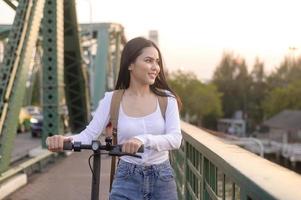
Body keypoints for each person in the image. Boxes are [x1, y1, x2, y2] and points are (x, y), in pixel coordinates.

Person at [46, 37, 182, 200]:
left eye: (157, 62)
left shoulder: (167, 99)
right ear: (130, 65)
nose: (156, 68)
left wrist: (142, 140)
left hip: (163, 179)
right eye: (148, 61)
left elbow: (175, 139)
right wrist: (64, 139)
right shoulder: (112, 99)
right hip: (127, 177)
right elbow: (89, 135)